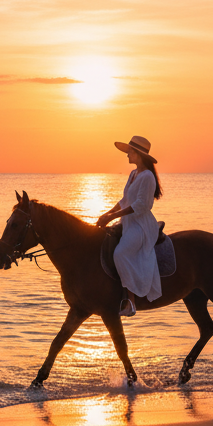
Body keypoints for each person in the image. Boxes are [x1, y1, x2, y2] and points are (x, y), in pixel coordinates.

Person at [95, 135, 164, 317]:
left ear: (139, 154)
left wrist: (113, 216)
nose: (127, 155)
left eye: (130, 152)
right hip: (128, 222)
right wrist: (107, 213)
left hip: (141, 225)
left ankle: (131, 302)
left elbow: (141, 205)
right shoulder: (133, 174)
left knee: (120, 253)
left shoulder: (147, 176)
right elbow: (125, 200)